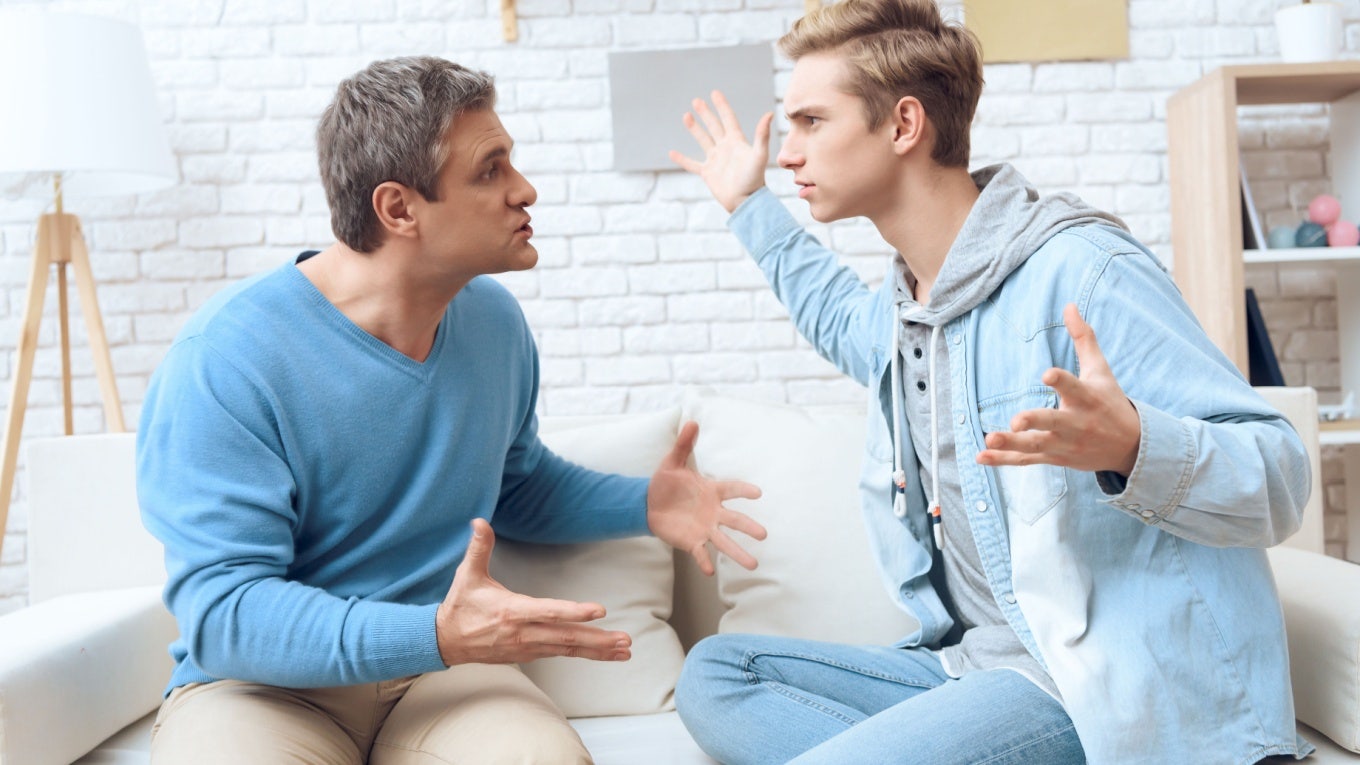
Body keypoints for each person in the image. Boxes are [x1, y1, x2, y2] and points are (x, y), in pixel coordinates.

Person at [667, 1, 1313, 763]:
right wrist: (748, 205)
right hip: (971, 668)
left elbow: (1280, 474)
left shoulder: (1085, 272)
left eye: (811, 122)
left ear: (904, 125)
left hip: (1098, 682)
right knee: (718, 670)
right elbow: (834, 312)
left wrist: (1136, 445)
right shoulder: (909, 309)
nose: (788, 152)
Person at [137, 55, 766, 765]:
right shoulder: (227, 358)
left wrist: (644, 503)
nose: (524, 190)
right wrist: (436, 630)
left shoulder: (493, 324)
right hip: (264, 686)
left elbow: (517, 481)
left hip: (443, 675)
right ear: (399, 208)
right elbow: (224, 615)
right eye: (490, 170)